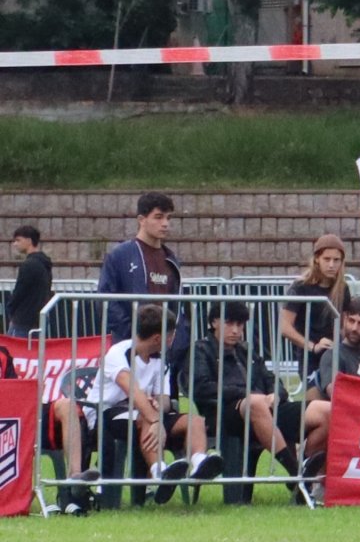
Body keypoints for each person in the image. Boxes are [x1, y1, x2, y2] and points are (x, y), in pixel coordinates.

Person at [90, 303, 223, 508]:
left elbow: (165, 399)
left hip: (144, 412)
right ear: (158, 339)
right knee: (145, 418)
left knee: (194, 421)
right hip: (109, 415)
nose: (173, 339)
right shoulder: (118, 353)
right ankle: (159, 472)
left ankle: (199, 463)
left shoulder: (162, 359)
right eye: (171, 335)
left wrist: (157, 406)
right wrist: (155, 419)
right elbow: (132, 392)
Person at [192, 301, 301, 499]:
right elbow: (201, 388)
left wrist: (276, 394)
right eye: (229, 323)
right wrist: (246, 395)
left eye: (240, 325)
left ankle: (316, 478)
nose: (235, 330)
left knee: (321, 410)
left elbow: (271, 379)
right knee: (256, 403)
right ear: (214, 322)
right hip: (223, 414)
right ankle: (296, 474)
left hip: (264, 410)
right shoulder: (201, 350)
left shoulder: (246, 351)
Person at [297, 297, 360, 503]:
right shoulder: (333, 355)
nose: (354, 327)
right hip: (347, 423)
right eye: (350, 321)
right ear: (343, 320)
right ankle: (313, 479)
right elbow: (336, 393)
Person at [97, 192, 189, 384]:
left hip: (165, 349)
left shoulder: (170, 259)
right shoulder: (121, 255)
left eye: (168, 218)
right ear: (141, 220)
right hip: (132, 348)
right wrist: (135, 334)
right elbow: (107, 299)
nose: (165, 223)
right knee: (131, 406)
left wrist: (176, 337)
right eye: (158, 217)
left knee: (164, 405)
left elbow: (176, 304)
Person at [278, 233, 347, 387]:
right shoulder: (300, 287)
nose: (331, 265)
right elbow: (284, 326)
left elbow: (345, 325)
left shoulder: (343, 288)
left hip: (336, 355)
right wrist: (313, 346)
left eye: (336, 260)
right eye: (327, 259)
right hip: (309, 358)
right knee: (315, 405)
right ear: (317, 259)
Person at [7, 225, 53, 338]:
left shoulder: (29, 265)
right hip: (39, 319)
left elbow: (19, 292)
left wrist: (11, 310)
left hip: (23, 320)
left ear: (28, 241)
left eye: (18, 240)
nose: (15, 244)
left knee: (15, 353)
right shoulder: (45, 263)